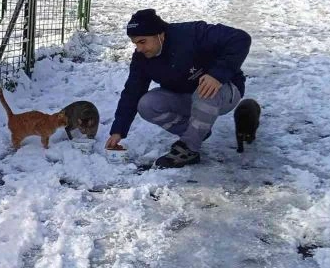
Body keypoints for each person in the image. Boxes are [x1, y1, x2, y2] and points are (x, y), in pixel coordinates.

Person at [105, 9, 251, 168]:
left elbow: (240, 38)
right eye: (135, 43)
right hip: (186, 96)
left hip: (224, 90)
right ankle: (197, 131)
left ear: (160, 35)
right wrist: (118, 130)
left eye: (142, 42)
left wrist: (217, 75)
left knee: (205, 92)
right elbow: (132, 92)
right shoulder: (142, 58)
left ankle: (188, 148)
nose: (139, 49)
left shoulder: (192, 34)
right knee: (147, 104)